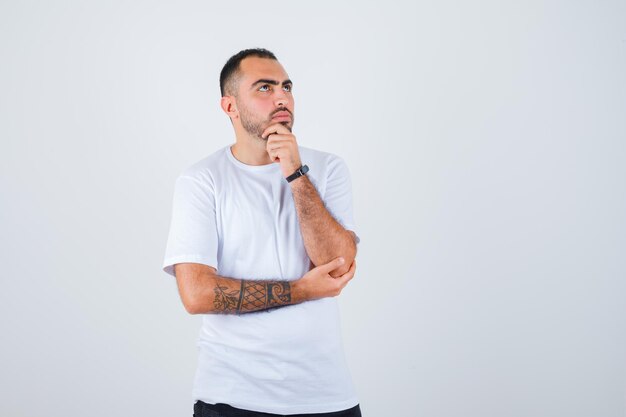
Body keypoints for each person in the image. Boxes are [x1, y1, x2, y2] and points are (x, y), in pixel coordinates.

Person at [162, 48, 362, 417]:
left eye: (286, 86)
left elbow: (336, 265)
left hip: (327, 396)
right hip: (233, 397)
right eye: (265, 88)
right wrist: (302, 290)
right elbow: (196, 294)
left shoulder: (327, 168)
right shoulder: (201, 180)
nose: (282, 96)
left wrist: (295, 174)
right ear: (230, 107)